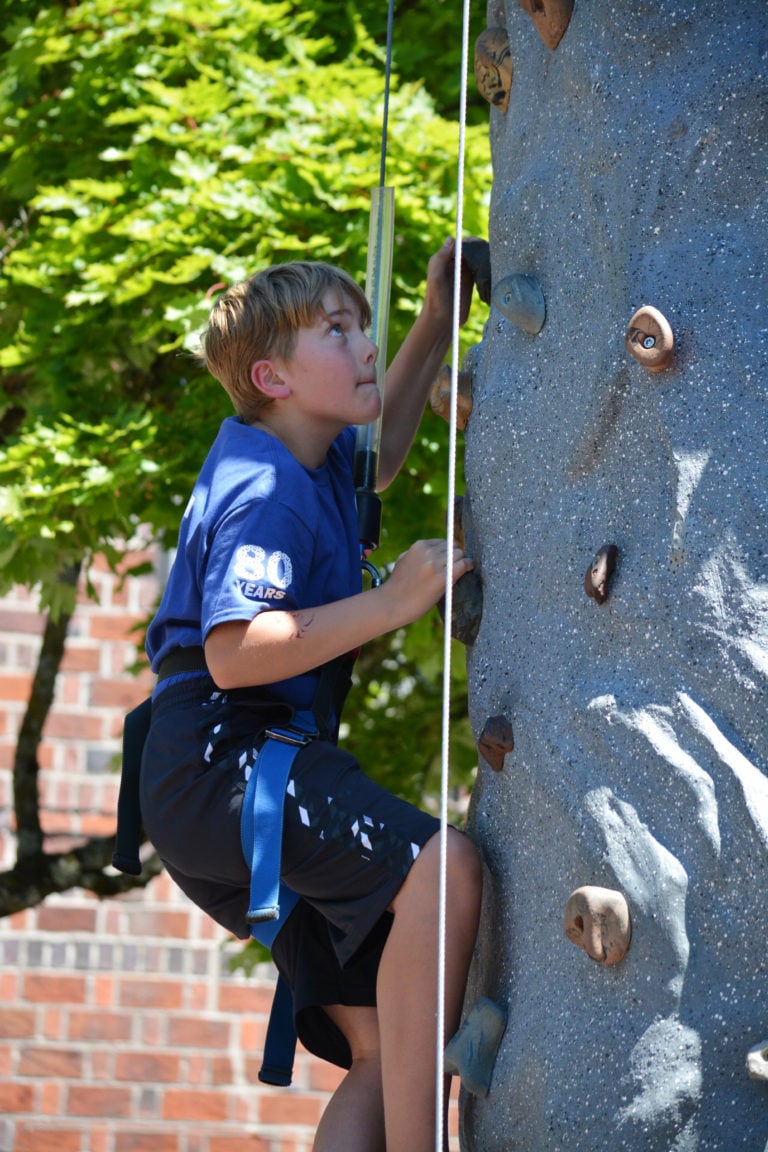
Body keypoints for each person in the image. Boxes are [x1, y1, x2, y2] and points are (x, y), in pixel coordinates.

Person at [138, 237, 483, 1151]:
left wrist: (435, 321)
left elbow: (384, 448)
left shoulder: (312, 459)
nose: (364, 347)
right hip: (225, 762)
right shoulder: (264, 489)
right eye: (338, 330)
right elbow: (235, 652)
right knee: (444, 869)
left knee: (381, 1033)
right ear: (273, 376)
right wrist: (394, 601)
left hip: (210, 782)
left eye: (364, 328)